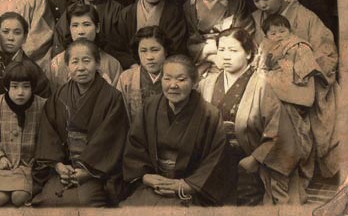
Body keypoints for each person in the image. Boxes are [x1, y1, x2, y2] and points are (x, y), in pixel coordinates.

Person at [200, 28, 298, 205]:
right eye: (221, 50)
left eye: (233, 50)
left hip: (247, 162)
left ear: (248, 53)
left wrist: (255, 159)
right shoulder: (207, 83)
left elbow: (279, 131)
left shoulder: (262, 86)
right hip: (210, 160)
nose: (226, 56)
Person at [123, 55, 228, 206]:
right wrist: (145, 177)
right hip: (155, 185)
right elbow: (136, 144)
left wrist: (187, 185)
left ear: (194, 83)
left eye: (181, 79)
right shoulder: (151, 106)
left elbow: (216, 158)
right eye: (167, 78)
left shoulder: (209, 114)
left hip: (190, 189)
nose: (173, 85)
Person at [34, 39, 129, 207]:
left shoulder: (112, 97)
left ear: (98, 63)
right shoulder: (59, 95)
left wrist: (86, 171)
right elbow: (49, 132)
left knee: (85, 201)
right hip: (66, 167)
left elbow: (110, 140)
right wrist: (58, 166)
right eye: (74, 61)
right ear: (67, 66)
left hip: (96, 170)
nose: (81, 67)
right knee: (49, 200)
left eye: (87, 61)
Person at [258, 14, 338, 186]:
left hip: (296, 97)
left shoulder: (298, 47)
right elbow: (260, 69)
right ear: (266, 35)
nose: (278, 35)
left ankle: (301, 180)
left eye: (282, 31)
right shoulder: (264, 48)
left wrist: (279, 72)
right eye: (273, 33)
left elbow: (297, 77)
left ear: (290, 31)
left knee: (301, 139)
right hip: (274, 98)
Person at [0, 61, 47, 207]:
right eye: (14, 86)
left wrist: (36, 160)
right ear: (6, 87)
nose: (20, 92)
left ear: (33, 87)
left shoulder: (42, 105)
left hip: (27, 164)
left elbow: (46, 138)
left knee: (18, 198)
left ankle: (24, 186)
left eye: (26, 87)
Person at [183, 0, 254, 75]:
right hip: (200, 62)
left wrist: (218, 52)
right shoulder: (189, 5)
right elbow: (188, 40)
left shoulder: (237, 3)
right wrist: (209, 56)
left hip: (230, 61)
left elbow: (244, 35)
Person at [53, 0, 126, 66]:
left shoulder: (117, 9)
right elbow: (60, 41)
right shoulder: (71, 10)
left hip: (107, 62)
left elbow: (122, 46)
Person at [117, 0, 188, 63]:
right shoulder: (126, 13)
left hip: (165, 65)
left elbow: (175, 47)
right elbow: (119, 48)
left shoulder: (174, 13)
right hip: (133, 66)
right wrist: (133, 64)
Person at [47, 4, 123, 91]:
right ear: (69, 29)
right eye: (75, 25)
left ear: (97, 28)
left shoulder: (113, 64)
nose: (80, 31)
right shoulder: (56, 64)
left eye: (86, 25)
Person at [118, 26, 170, 123]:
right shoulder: (126, 78)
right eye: (143, 51)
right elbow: (120, 118)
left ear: (166, 51)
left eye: (155, 50)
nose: (149, 57)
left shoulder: (177, 76)